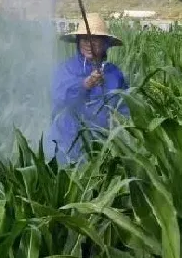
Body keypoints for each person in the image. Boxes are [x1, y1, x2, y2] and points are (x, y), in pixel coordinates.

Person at [45, 13, 130, 164]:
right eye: (85, 39)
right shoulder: (66, 69)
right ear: (78, 42)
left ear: (105, 44)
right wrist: (85, 84)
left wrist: (120, 124)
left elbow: (125, 107)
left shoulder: (114, 73)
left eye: (95, 40)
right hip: (69, 146)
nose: (89, 44)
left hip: (104, 147)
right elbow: (59, 98)